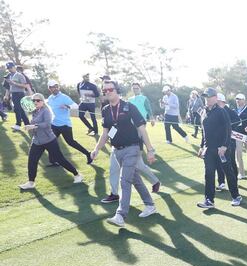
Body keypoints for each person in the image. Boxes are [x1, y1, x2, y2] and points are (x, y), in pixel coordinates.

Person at [91, 80, 158, 227]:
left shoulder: (129, 107)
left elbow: (142, 129)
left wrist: (150, 150)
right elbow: (105, 134)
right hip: (117, 151)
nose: (107, 92)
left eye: (110, 89)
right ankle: (150, 205)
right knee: (135, 179)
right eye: (105, 90)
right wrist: (96, 149)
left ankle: (120, 215)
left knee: (124, 180)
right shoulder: (106, 110)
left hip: (132, 148)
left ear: (117, 90)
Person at [18, 93, 83, 190]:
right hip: (37, 141)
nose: (35, 102)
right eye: (33, 100)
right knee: (32, 161)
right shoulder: (34, 111)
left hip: (49, 140)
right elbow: (33, 122)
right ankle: (31, 183)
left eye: (38, 100)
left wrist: (33, 126)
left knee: (60, 159)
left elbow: (47, 124)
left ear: (43, 101)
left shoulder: (46, 110)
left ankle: (77, 174)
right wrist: (30, 125)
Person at [196, 88, 241, 209]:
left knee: (228, 172)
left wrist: (225, 146)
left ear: (215, 98)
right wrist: (201, 147)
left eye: (209, 97)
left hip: (222, 149)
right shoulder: (204, 112)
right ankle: (209, 200)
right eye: (205, 97)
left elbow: (228, 130)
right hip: (209, 149)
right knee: (209, 174)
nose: (207, 99)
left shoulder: (221, 111)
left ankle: (236, 196)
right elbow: (204, 132)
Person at [46, 80, 93, 166]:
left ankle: (88, 154)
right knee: (50, 142)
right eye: (53, 87)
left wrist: (67, 106)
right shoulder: (50, 98)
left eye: (56, 86)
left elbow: (76, 106)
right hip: (54, 124)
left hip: (65, 125)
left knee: (71, 142)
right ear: (49, 88)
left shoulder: (64, 97)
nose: (55, 88)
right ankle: (53, 161)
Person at [6, 62, 31, 131]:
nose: (9, 69)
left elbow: (25, 85)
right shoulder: (10, 76)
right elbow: (9, 87)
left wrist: (14, 83)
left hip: (20, 93)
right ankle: (27, 124)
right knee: (20, 110)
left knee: (17, 109)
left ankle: (18, 124)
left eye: (11, 67)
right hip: (14, 94)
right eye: (8, 68)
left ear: (14, 67)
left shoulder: (20, 75)